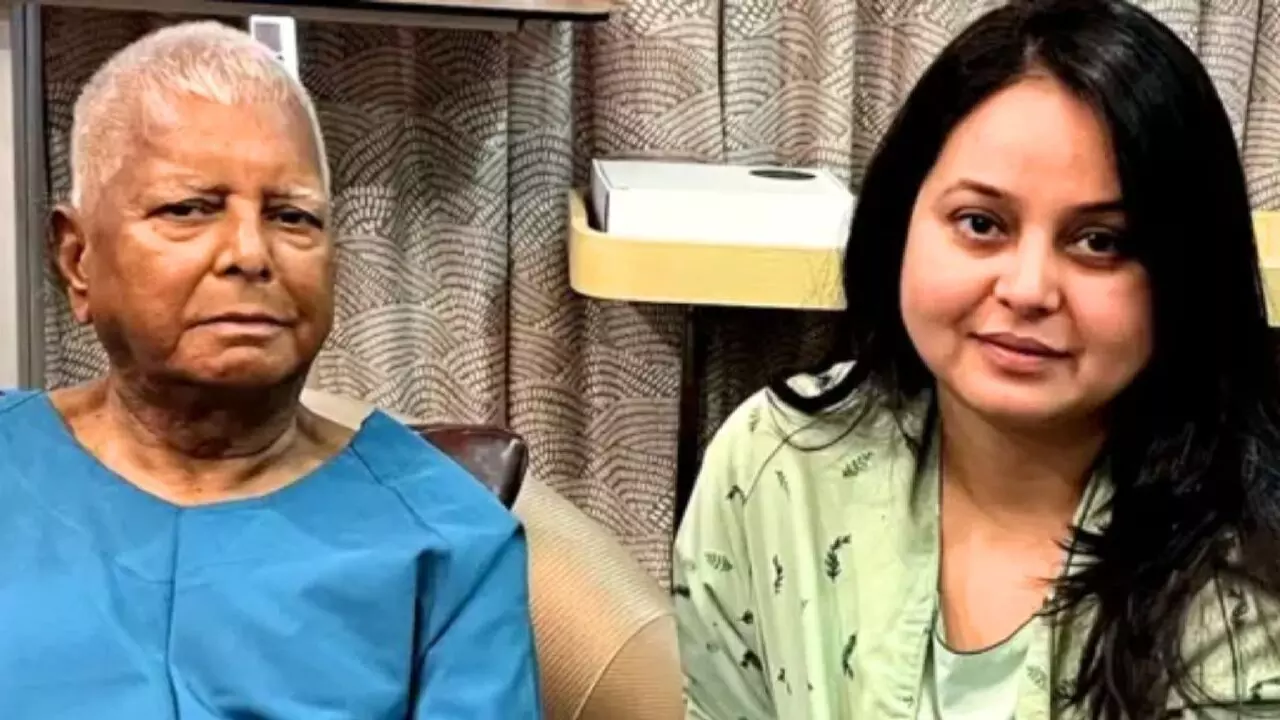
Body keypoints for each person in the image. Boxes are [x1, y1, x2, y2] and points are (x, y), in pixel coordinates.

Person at [674, 0, 1280, 717]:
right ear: (901, 219)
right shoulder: (777, 462)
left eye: (1100, 242)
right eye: (981, 223)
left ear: (1187, 275)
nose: (1027, 289)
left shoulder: (1247, 581)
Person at [0, 21, 541, 718]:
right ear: (78, 259)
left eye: (293, 217)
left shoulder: (451, 542)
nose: (250, 254)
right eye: (190, 209)